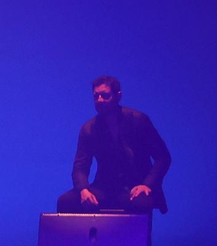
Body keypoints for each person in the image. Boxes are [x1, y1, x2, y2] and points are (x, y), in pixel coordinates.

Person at [56, 75, 171, 213]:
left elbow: (163, 157)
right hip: (105, 188)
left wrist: (147, 184)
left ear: (118, 96)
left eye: (105, 96)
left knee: (141, 201)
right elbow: (80, 166)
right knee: (66, 201)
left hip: (136, 185)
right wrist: (83, 189)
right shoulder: (89, 128)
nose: (100, 100)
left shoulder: (138, 120)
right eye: (96, 96)